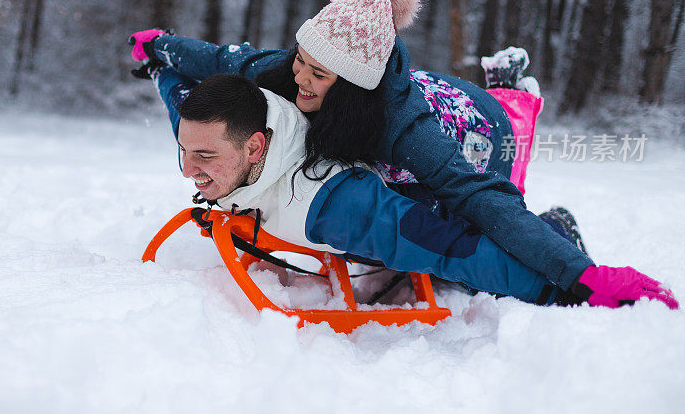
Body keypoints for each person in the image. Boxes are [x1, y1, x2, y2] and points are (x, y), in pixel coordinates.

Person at [128, 0, 590, 295]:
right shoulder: (292, 71)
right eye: (300, 62)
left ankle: (517, 107)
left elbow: (480, 194)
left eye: (319, 75)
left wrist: (578, 275)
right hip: (419, 95)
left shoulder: (403, 129)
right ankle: (507, 88)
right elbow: (219, 59)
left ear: (350, 86)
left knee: (468, 228)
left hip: (476, 133)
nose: (300, 81)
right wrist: (160, 50)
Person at [151, 69, 678, 310]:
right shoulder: (263, 92)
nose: (188, 170)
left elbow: (450, 247)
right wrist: (162, 62)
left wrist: (570, 287)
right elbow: (197, 82)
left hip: (465, 137)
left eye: (203, 157)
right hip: (414, 108)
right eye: (184, 151)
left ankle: (555, 223)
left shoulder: (330, 206)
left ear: (257, 149)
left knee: (480, 223)